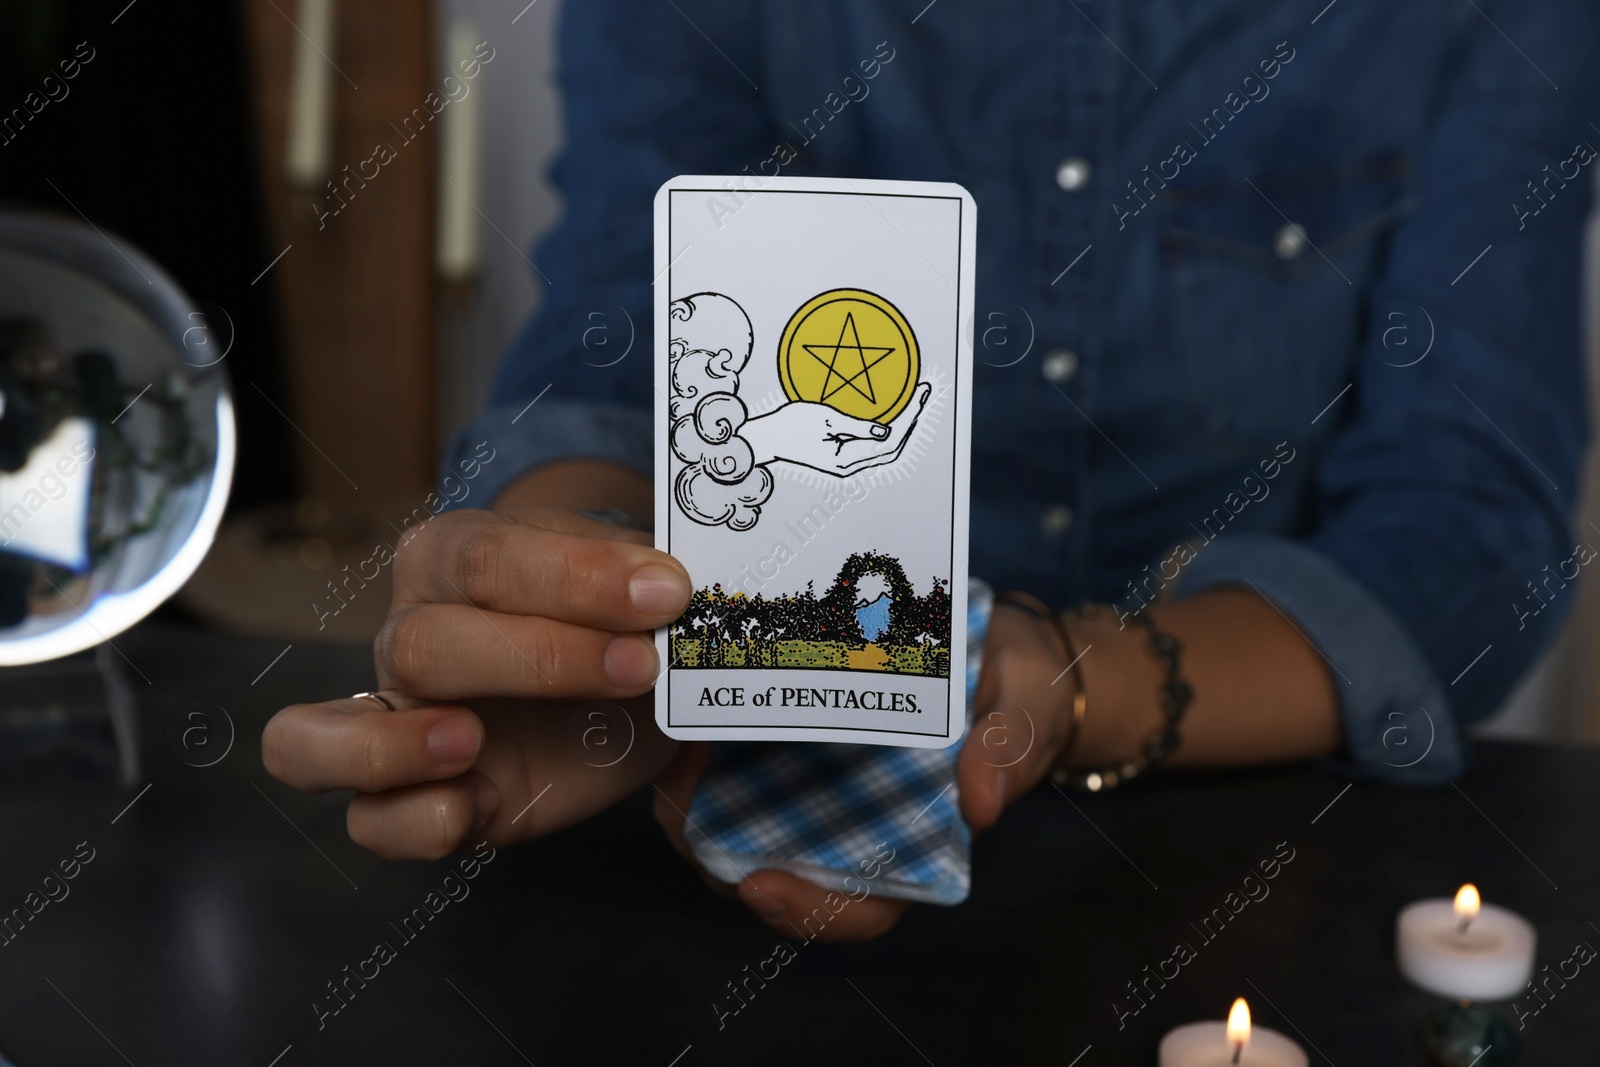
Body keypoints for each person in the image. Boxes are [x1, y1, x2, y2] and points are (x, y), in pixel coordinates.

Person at [263, 0, 1598, 941]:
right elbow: (626, 345)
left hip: (1264, 868)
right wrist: (586, 610)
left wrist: (1068, 688)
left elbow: (1472, 515)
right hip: (720, 799)